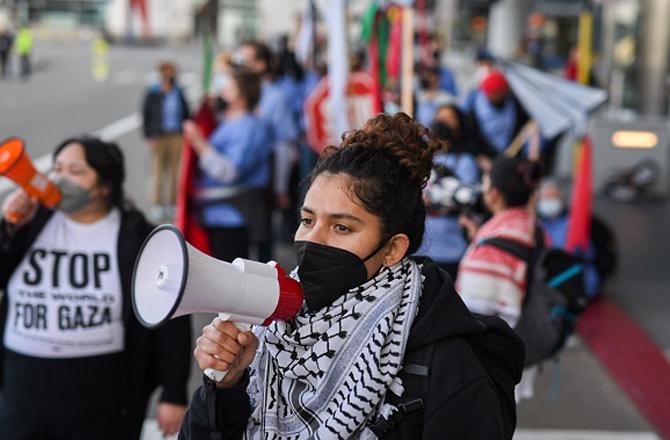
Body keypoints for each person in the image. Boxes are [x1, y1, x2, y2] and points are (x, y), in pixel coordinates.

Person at [179, 113, 524, 439]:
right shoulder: (269, 334)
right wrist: (225, 387)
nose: (313, 239)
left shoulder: (448, 368)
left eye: (341, 227)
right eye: (307, 220)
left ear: (392, 249)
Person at [0, 137, 192, 439]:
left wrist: (173, 392)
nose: (60, 178)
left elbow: (172, 319)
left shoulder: (137, 236)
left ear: (104, 186)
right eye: (57, 168)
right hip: (21, 386)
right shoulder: (31, 223)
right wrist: (7, 226)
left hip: (101, 392)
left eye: (75, 171)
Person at [456, 156, 542, 401]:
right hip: (517, 350)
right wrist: (479, 239)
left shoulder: (492, 248)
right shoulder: (530, 226)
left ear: (494, 194)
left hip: (491, 364)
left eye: (484, 185)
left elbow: (473, 315)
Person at [182, 69, 271, 262]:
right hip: (216, 216)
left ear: (241, 97)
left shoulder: (248, 127)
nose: (220, 94)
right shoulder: (230, 122)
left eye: (227, 89)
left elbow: (228, 172)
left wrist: (199, 142)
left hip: (231, 220)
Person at [417, 105, 480, 279]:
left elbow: (469, 197)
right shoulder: (420, 161)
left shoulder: (465, 161)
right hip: (421, 245)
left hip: (453, 244)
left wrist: (436, 196)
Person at [537, 178, 602, 299]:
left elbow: (588, 255)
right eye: (544, 198)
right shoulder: (535, 224)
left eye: (552, 197)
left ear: (562, 199)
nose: (548, 201)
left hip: (574, 281)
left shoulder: (574, 223)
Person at [141, 61, 191, 221]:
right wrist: (149, 136)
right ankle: (157, 203)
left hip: (176, 135)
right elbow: (146, 115)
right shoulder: (153, 92)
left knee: (175, 171)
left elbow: (186, 112)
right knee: (157, 171)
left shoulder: (178, 92)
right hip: (159, 136)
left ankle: (172, 202)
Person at [464, 70, 528, 158]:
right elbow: (472, 135)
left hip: (512, 151)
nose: (494, 95)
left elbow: (524, 127)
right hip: (485, 153)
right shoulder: (475, 104)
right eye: (491, 92)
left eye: (497, 92)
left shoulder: (514, 103)